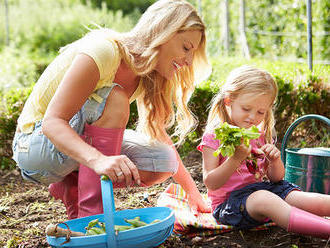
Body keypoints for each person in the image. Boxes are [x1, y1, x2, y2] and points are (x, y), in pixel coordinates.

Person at [12, 0, 212, 220]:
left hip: (67, 147)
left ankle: (72, 186)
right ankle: (93, 221)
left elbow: (158, 133)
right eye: (186, 48)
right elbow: (53, 122)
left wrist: (194, 195)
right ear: (163, 31)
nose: (189, 61)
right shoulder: (105, 51)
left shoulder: (148, 73)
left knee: (163, 160)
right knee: (116, 99)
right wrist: (98, 160)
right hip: (34, 146)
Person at [197, 65, 330, 238]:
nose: (253, 117)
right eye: (246, 109)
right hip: (230, 204)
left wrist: (275, 161)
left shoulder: (257, 133)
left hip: (263, 191)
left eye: (260, 112)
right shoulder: (214, 136)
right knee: (263, 198)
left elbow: (276, 178)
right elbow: (211, 182)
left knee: (302, 198)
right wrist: (235, 159)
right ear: (228, 100)